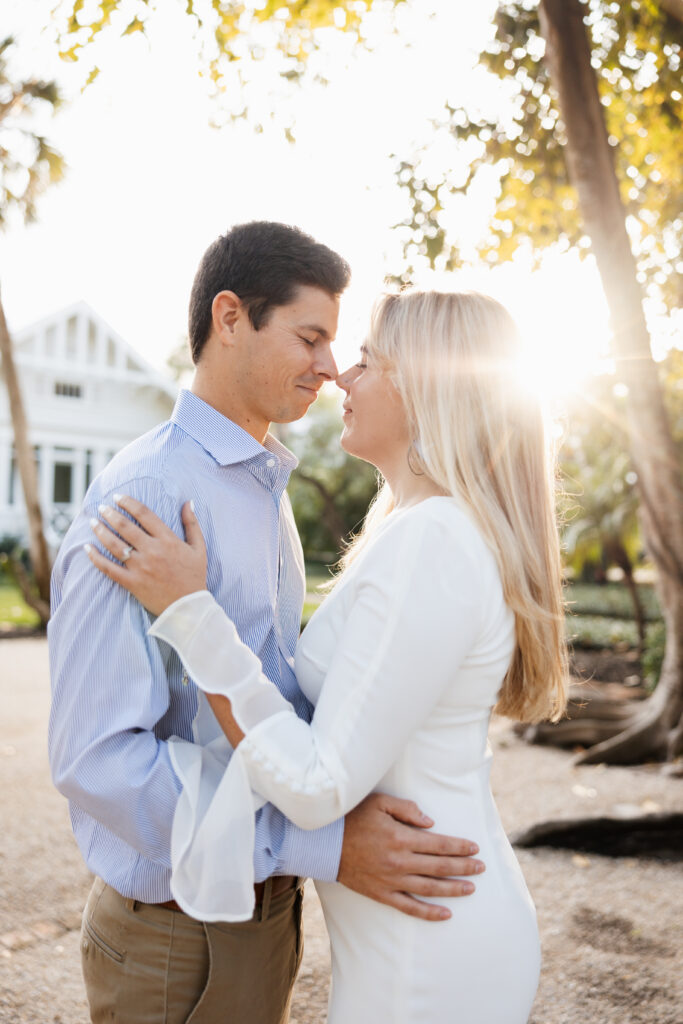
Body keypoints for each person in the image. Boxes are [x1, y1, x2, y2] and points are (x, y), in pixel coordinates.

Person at [86, 287, 569, 1023]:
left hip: (428, 943)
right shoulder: (413, 530)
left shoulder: (433, 541)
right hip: (413, 924)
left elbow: (315, 784)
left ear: (429, 389)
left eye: (370, 360)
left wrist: (190, 613)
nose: (342, 374)